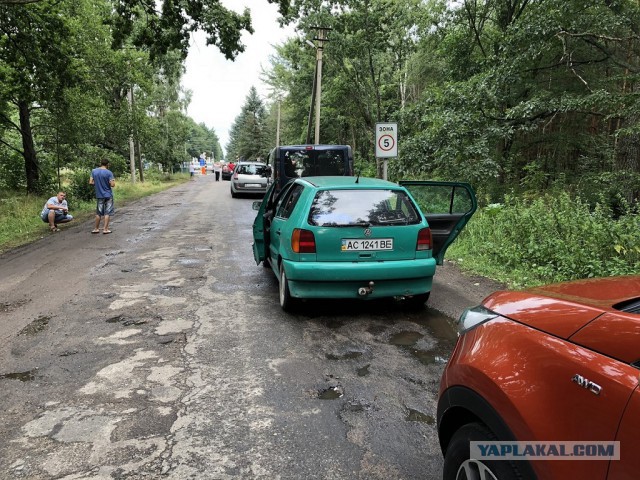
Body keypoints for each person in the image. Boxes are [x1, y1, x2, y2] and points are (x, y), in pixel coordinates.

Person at [89, 159, 116, 234]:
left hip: (99, 195)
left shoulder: (94, 171)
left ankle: (96, 228)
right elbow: (112, 185)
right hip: (108, 195)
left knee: (99, 212)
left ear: (100, 163)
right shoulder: (109, 172)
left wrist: (97, 183)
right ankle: (105, 229)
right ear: (108, 164)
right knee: (107, 212)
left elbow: (90, 182)